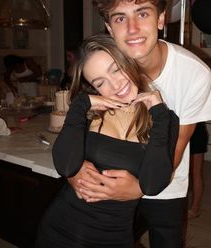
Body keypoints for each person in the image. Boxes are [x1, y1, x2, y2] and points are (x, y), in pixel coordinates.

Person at [67, 0, 211, 248]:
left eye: (143, 14)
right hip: (111, 174)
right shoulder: (103, 63)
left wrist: (136, 189)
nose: (132, 29)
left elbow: (177, 146)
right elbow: (82, 127)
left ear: (161, 18)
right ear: (109, 28)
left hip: (164, 186)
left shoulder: (195, 75)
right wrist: (75, 171)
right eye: (120, 18)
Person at [35, 34, 179, 248]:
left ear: (128, 60)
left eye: (115, 69)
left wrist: (159, 115)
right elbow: (65, 166)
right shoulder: (89, 114)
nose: (115, 85)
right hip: (60, 230)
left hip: (114, 235)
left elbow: (152, 185)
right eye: (100, 82)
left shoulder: (164, 119)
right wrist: (80, 104)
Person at [188, 122, 209, 219]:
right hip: (190, 131)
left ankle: (195, 209)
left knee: (196, 172)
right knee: (193, 172)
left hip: (195, 133)